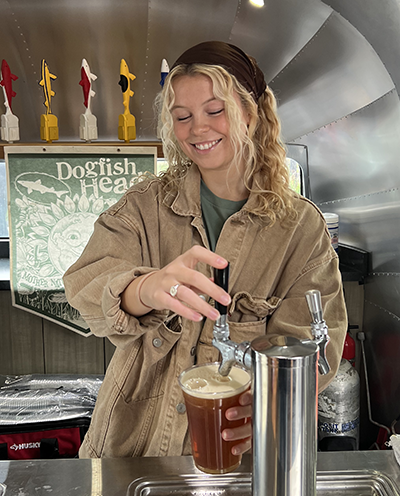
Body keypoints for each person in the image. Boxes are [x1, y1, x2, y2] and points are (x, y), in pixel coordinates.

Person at [63, 41, 347, 458]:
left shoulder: (299, 229)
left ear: (251, 113)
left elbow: (316, 345)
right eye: (182, 117)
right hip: (129, 449)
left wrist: (272, 405)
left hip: (242, 450)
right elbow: (86, 285)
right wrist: (145, 289)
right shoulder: (144, 206)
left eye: (216, 111)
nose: (198, 129)